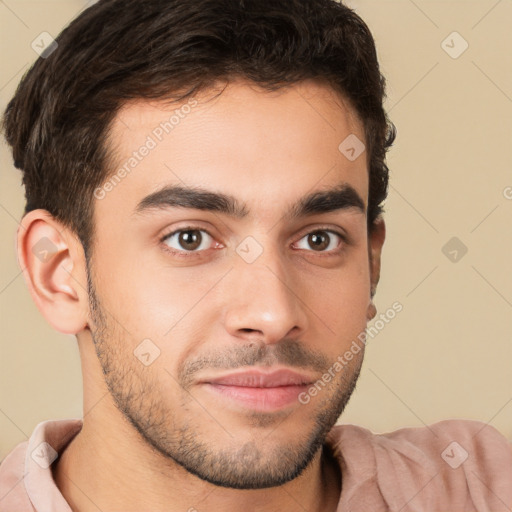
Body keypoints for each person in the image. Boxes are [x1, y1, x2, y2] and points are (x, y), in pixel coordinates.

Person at [1, 0, 511, 510]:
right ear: (58, 273)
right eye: (190, 239)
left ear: (372, 265)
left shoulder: (480, 487)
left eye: (319, 239)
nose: (273, 314)